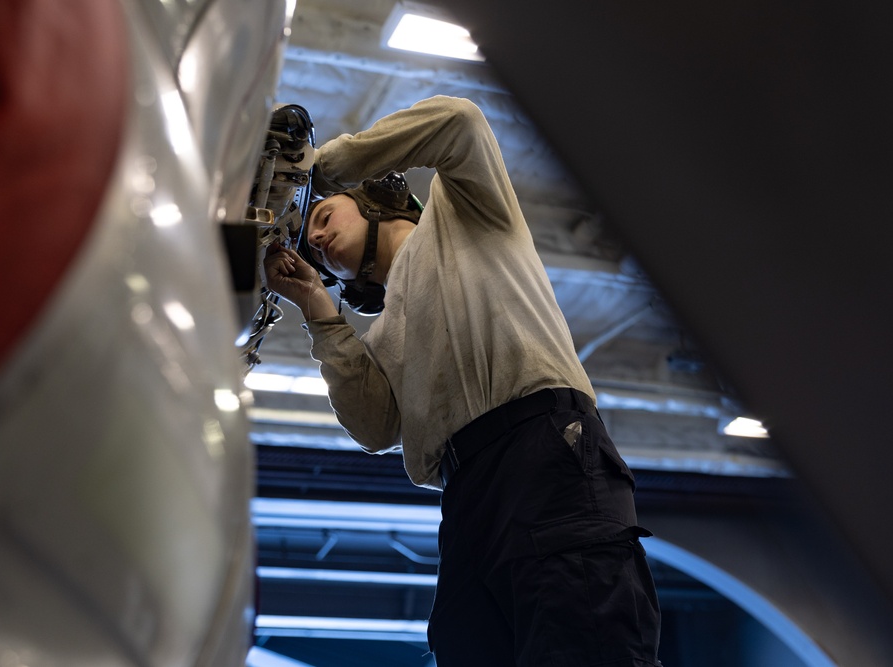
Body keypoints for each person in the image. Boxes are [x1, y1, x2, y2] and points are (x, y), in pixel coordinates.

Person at [263, 95, 662, 667]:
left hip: (547, 452)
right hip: (468, 489)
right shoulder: (381, 339)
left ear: (377, 198)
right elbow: (375, 426)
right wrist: (317, 307)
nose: (318, 240)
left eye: (324, 217)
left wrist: (318, 169)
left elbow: (459, 121)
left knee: (581, 635)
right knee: (466, 646)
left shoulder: (467, 215)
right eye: (316, 251)